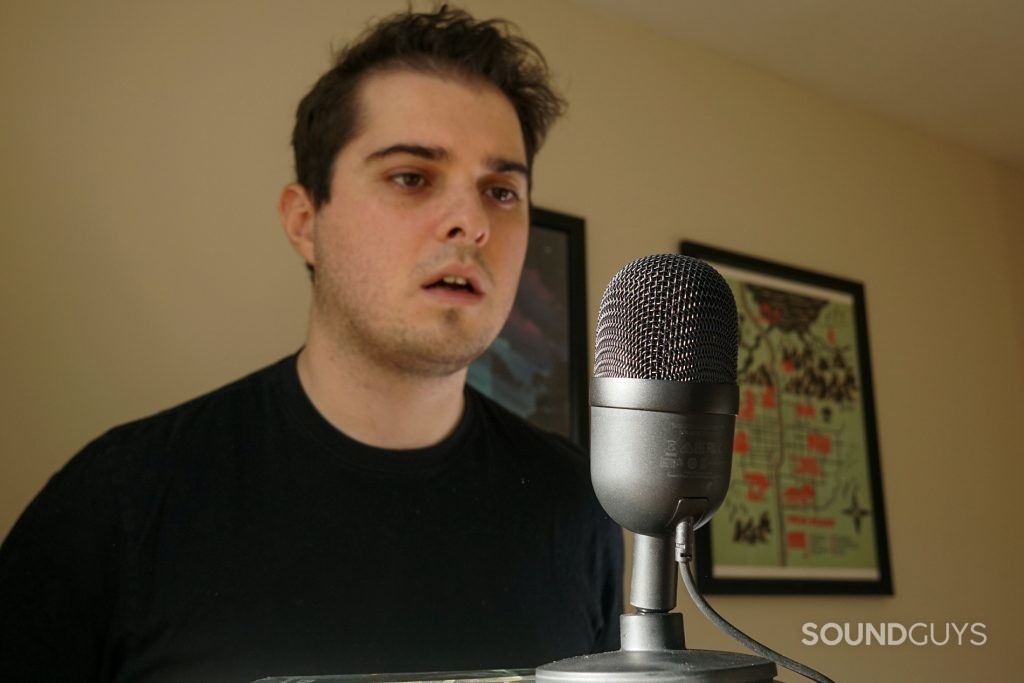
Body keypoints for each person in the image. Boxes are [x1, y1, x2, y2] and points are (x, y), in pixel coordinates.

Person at [0, 6, 623, 683]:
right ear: (305, 222)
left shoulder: (578, 510)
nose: (472, 222)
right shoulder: (121, 502)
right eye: (412, 177)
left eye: (501, 191)